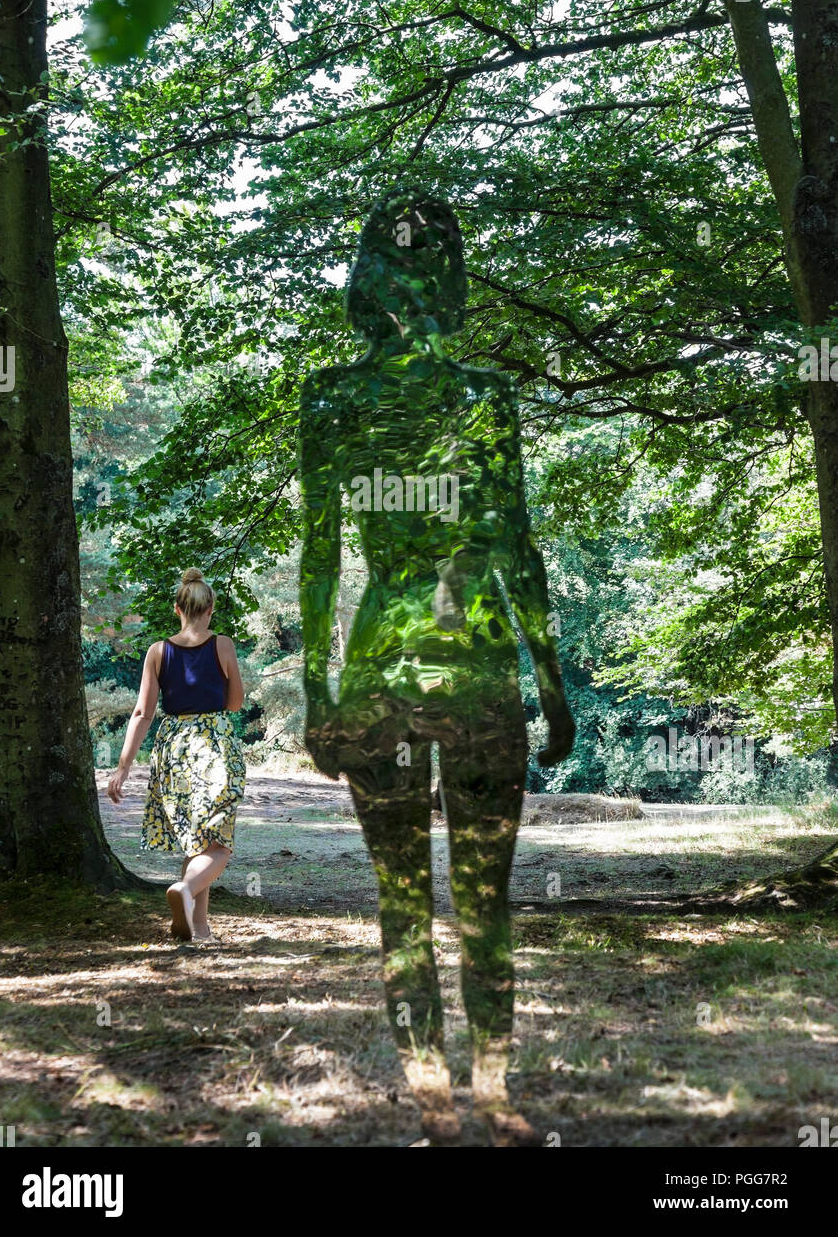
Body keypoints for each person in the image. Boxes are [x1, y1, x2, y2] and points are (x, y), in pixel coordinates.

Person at [299, 187, 575, 1146]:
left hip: (384, 667)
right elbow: (516, 548)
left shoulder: (332, 395)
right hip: (475, 660)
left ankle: (442, 1099)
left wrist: (320, 693)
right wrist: (550, 676)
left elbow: (323, 556)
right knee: (482, 899)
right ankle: (482, 1094)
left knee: (407, 899)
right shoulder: (479, 394)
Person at [107, 568, 246, 943]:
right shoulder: (223, 645)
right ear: (210, 609)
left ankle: (198, 928)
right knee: (219, 846)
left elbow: (142, 714)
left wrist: (122, 769)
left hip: (172, 751)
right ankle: (184, 890)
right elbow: (234, 704)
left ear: (177, 609)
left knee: (197, 842)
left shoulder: (158, 651)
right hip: (213, 747)